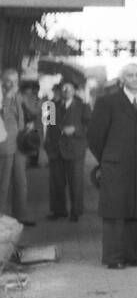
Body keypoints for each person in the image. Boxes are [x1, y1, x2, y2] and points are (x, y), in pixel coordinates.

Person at [86, 63, 137, 269]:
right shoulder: (108, 102)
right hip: (115, 165)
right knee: (115, 212)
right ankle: (114, 257)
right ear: (122, 79)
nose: (134, 79)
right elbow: (95, 136)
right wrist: (107, 157)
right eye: (130, 75)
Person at [47, 81, 90, 222]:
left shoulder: (83, 106)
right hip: (56, 150)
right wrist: (47, 146)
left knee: (75, 183)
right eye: (63, 88)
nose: (66, 90)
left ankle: (76, 212)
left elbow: (90, 127)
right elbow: (48, 127)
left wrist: (76, 130)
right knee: (56, 183)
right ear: (60, 90)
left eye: (69, 88)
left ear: (74, 90)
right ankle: (59, 211)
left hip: (75, 150)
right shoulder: (52, 106)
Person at [0, 68, 36, 226]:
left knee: (21, 181)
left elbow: (30, 112)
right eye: (9, 80)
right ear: (3, 81)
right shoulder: (2, 95)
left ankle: (20, 215)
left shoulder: (20, 96)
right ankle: (0, 218)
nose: (13, 84)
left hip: (20, 143)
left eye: (15, 80)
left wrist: (27, 126)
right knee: (3, 183)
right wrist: (7, 97)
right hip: (5, 144)